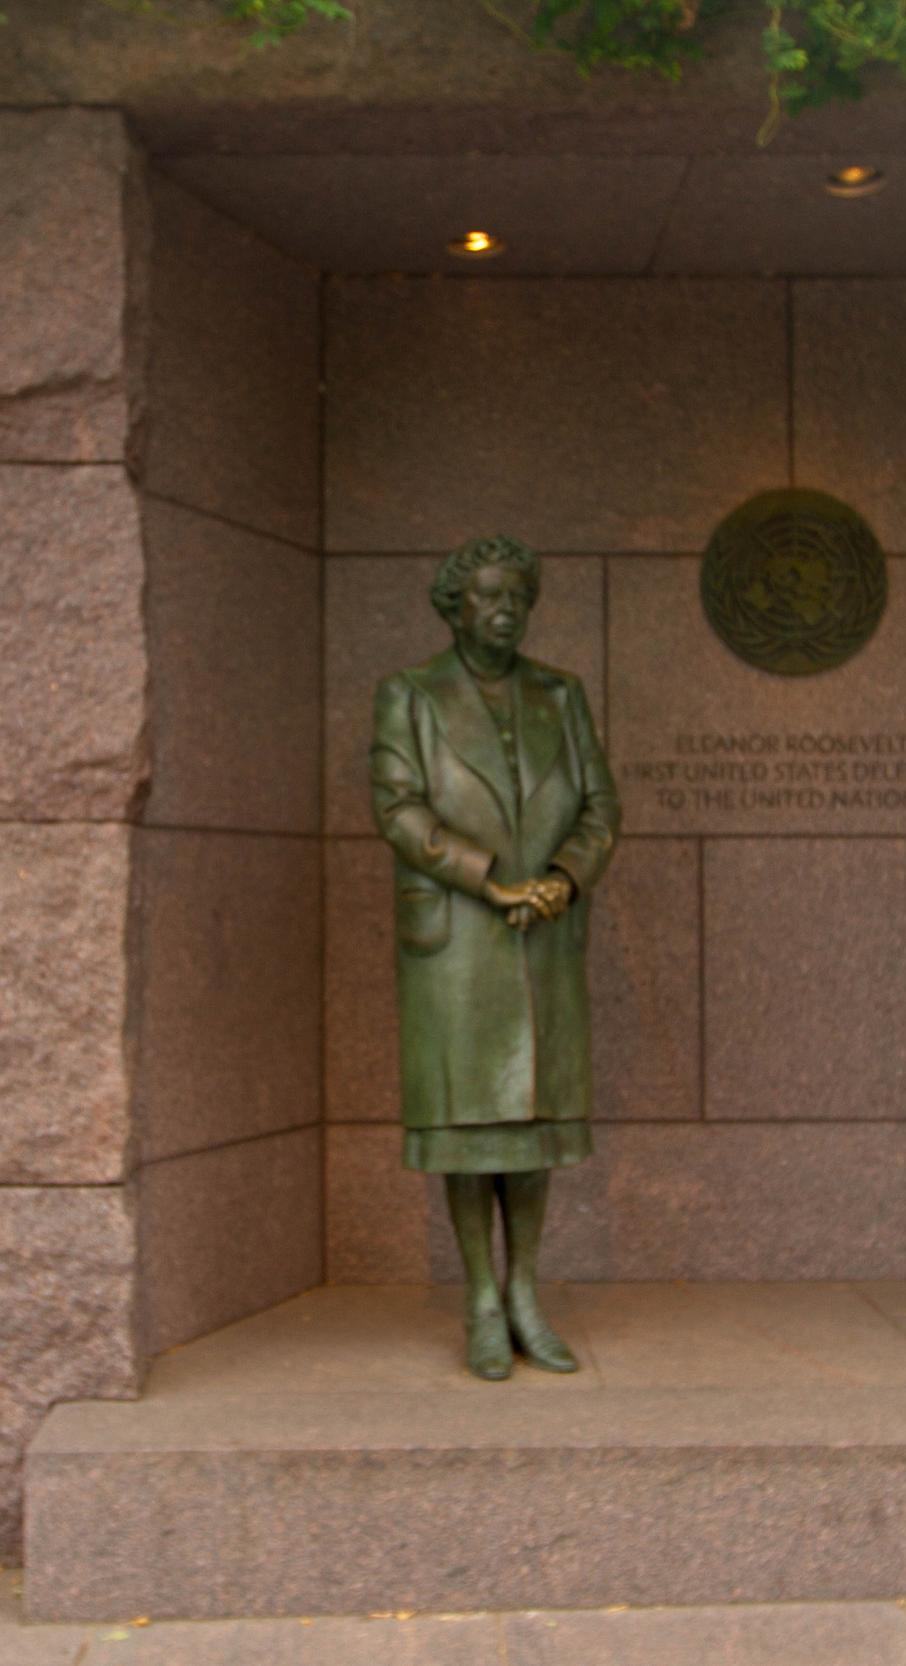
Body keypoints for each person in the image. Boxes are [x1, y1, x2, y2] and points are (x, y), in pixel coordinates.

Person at [369, 533, 619, 1380]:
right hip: (457, 940)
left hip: (544, 929)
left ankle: (524, 1291)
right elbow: (397, 807)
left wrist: (562, 879)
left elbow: (600, 804)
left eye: (517, 597)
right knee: (471, 1122)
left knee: (533, 1121)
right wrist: (487, 879)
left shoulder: (562, 693)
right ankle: (480, 1295)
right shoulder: (409, 694)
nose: (505, 610)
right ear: (454, 606)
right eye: (487, 596)